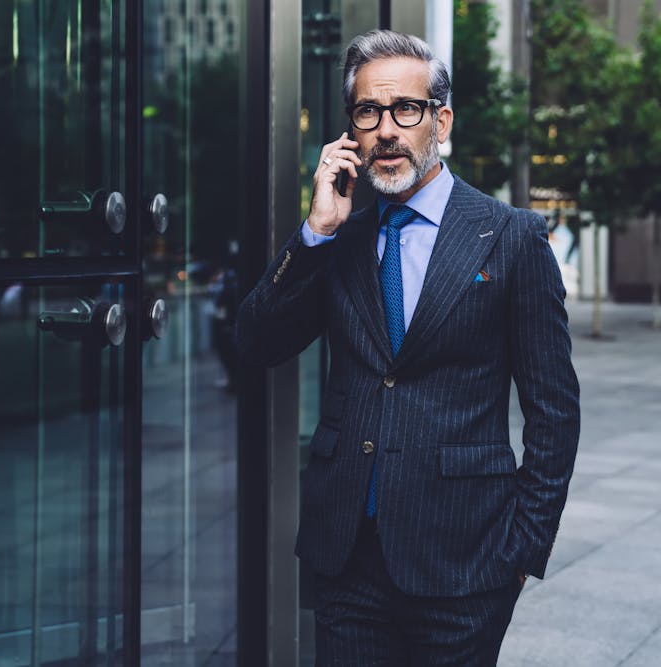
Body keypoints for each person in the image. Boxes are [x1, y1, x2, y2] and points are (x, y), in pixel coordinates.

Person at [236, 29, 580, 665]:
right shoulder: (338, 238)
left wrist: (521, 551)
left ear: (440, 122)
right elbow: (255, 343)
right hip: (345, 560)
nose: (386, 129)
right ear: (352, 131)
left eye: (406, 110)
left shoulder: (511, 238)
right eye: (368, 112)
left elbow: (555, 411)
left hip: (465, 563)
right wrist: (313, 233)